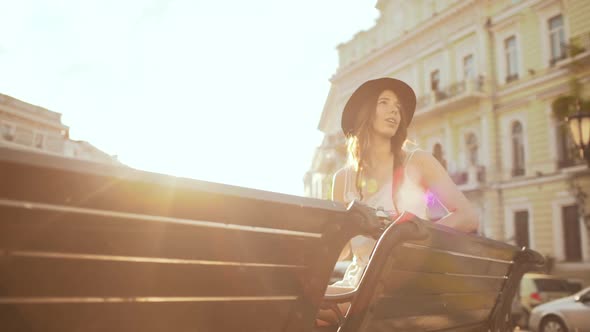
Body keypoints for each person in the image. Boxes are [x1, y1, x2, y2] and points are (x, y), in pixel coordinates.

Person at [316, 77, 479, 326]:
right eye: (384, 102)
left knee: (301, 306)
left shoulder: (418, 161)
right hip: (357, 285)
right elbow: (344, 250)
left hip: (401, 288)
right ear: (365, 112)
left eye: (397, 106)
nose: (394, 109)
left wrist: (411, 239)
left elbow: (467, 216)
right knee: (295, 301)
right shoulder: (342, 180)